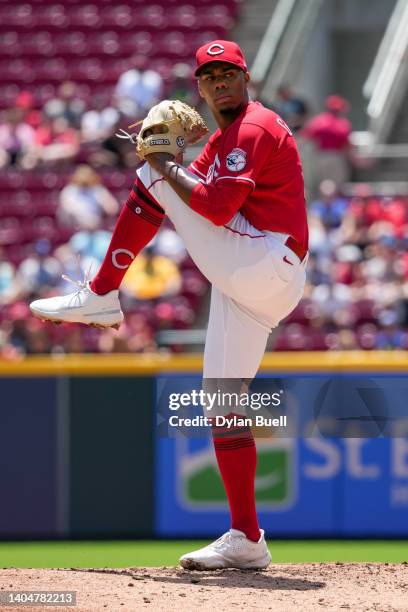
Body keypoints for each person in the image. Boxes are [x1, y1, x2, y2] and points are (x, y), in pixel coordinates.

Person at [30, 40, 309, 570]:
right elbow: (199, 191)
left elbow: (213, 203)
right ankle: (248, 538)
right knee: (221, 403)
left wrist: (161, 158)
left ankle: (101, 293)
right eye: (209, 76)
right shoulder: (228, 136)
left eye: (228, 73)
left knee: (151, 175)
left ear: (246, 78)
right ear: (199, 88)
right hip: (259, 279)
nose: (220, 82)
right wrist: (172, 164)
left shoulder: (251, 126)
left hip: (265, 261)